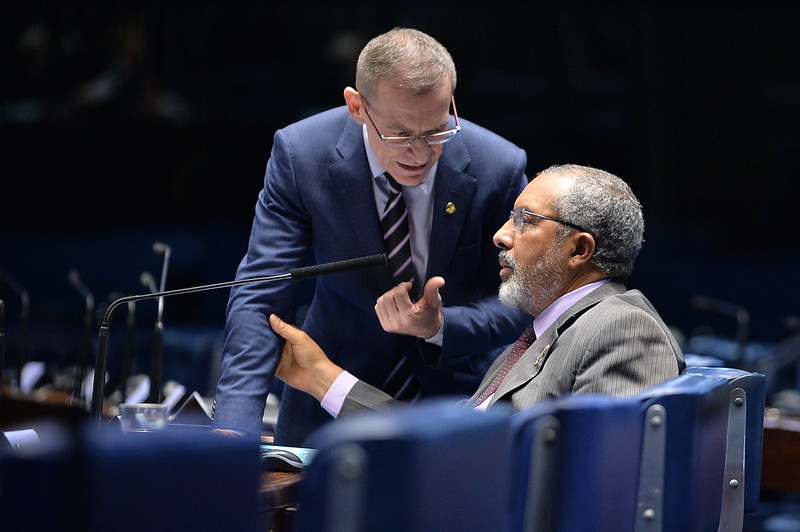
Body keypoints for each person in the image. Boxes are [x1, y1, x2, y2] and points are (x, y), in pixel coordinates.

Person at [211, 28, 530, 444]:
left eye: (436, 130)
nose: (419, 153)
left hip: (454, 407)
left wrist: (439, 326)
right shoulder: (301, 155)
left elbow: (523, 304)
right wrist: (233, 431)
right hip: (325, 404)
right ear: (357, 106)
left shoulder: (498, 166)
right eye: (399, 134)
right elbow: (259, 293)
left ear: (451, 101)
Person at [270, 164, 686, 415]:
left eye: (526, 219)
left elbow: (604, 486)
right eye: (510, 217)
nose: (502, 236)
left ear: (579, 249)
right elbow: (456, 438)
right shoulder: (536, 338)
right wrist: (320, 377)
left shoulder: (624, 327)